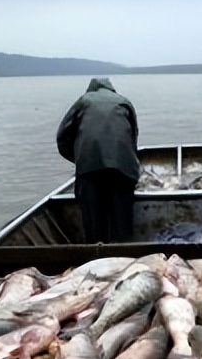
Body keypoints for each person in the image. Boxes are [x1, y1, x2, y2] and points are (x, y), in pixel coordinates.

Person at [56, 78, 141, 243]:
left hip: (89, 170)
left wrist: (79, 160)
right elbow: (133, 139)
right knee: (122, 223)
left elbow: (62, 137)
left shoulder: (83, 101)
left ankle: (95, 250)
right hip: (122, 169)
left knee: (93, 224)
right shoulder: (124, 102)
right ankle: (124, 249)